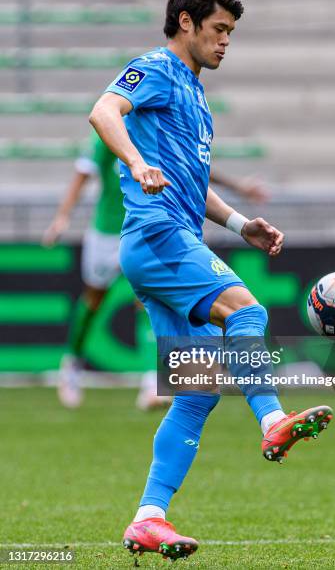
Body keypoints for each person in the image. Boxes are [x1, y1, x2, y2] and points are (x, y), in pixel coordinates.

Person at [89, 0, 333, 562]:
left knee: (197, 391)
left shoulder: (195, 95)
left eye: (232, 33)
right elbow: (102, 111)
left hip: (165, 237)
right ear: (187, 23)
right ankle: (272, 418)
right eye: (219, 30)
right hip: (156, 237)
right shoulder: (154, 67)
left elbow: (193, 187)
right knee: (246, 309)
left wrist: (239, 223)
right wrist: (138, 162)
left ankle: (149, 518)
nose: (226, 41)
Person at [43, 132, 269, 409]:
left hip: (146, 230)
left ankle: (152, 382)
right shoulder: (108, 132)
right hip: (107, 232)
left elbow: (192, 171)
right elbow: (83, 174)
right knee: (93, 299)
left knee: (146, 302)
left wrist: (239, 188)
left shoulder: (157, 131)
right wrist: (62, 217)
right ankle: (72, 365)